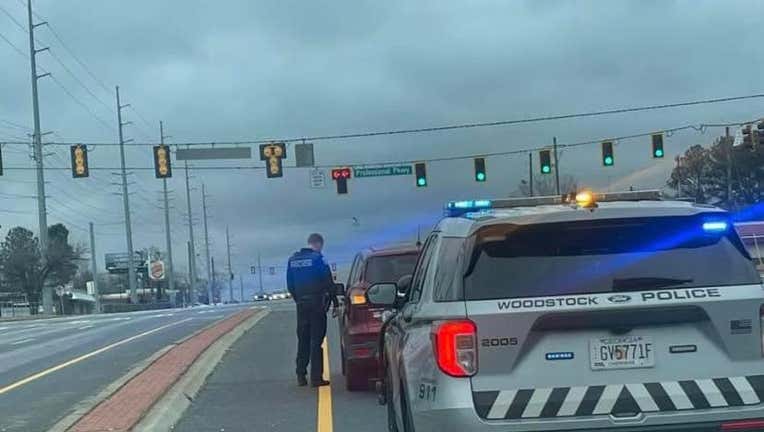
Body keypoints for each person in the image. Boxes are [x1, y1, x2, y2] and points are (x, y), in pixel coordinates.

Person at [286, 233, 339, 387]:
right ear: (319, 244)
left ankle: (301, 374)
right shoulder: (318, 259)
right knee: (316, 340)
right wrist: (334, 302)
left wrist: (299, 300)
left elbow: (290, 284)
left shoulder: (292, 260)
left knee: (303, 339)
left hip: (301, 305)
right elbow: (328, 281)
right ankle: (316, 378)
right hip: (317, 304)